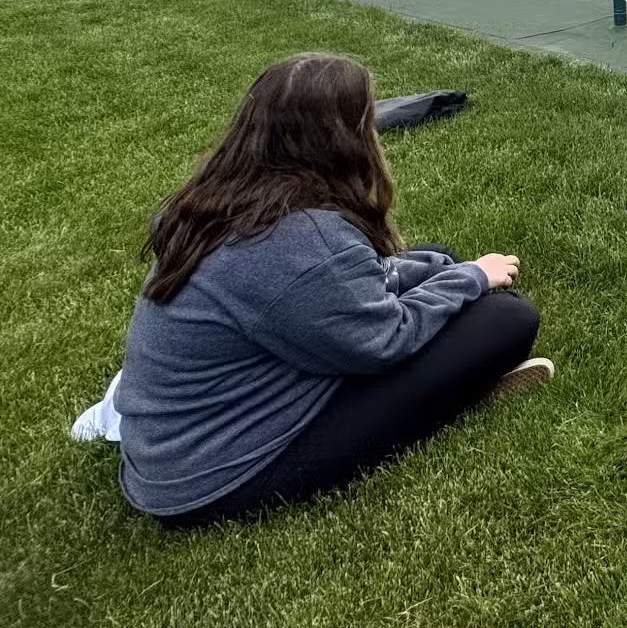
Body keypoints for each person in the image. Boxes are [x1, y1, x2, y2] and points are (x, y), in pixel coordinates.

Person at [111, 53, 552, 527]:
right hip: (216, 478)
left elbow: (357, 278)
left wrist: (444, 267)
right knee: (507, 319)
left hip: (174, 452)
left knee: (434, 256)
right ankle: (462, 390)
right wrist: (470, 278)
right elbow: (386, 340)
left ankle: (455, 353)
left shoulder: (221, 198)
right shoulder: (302, 239)